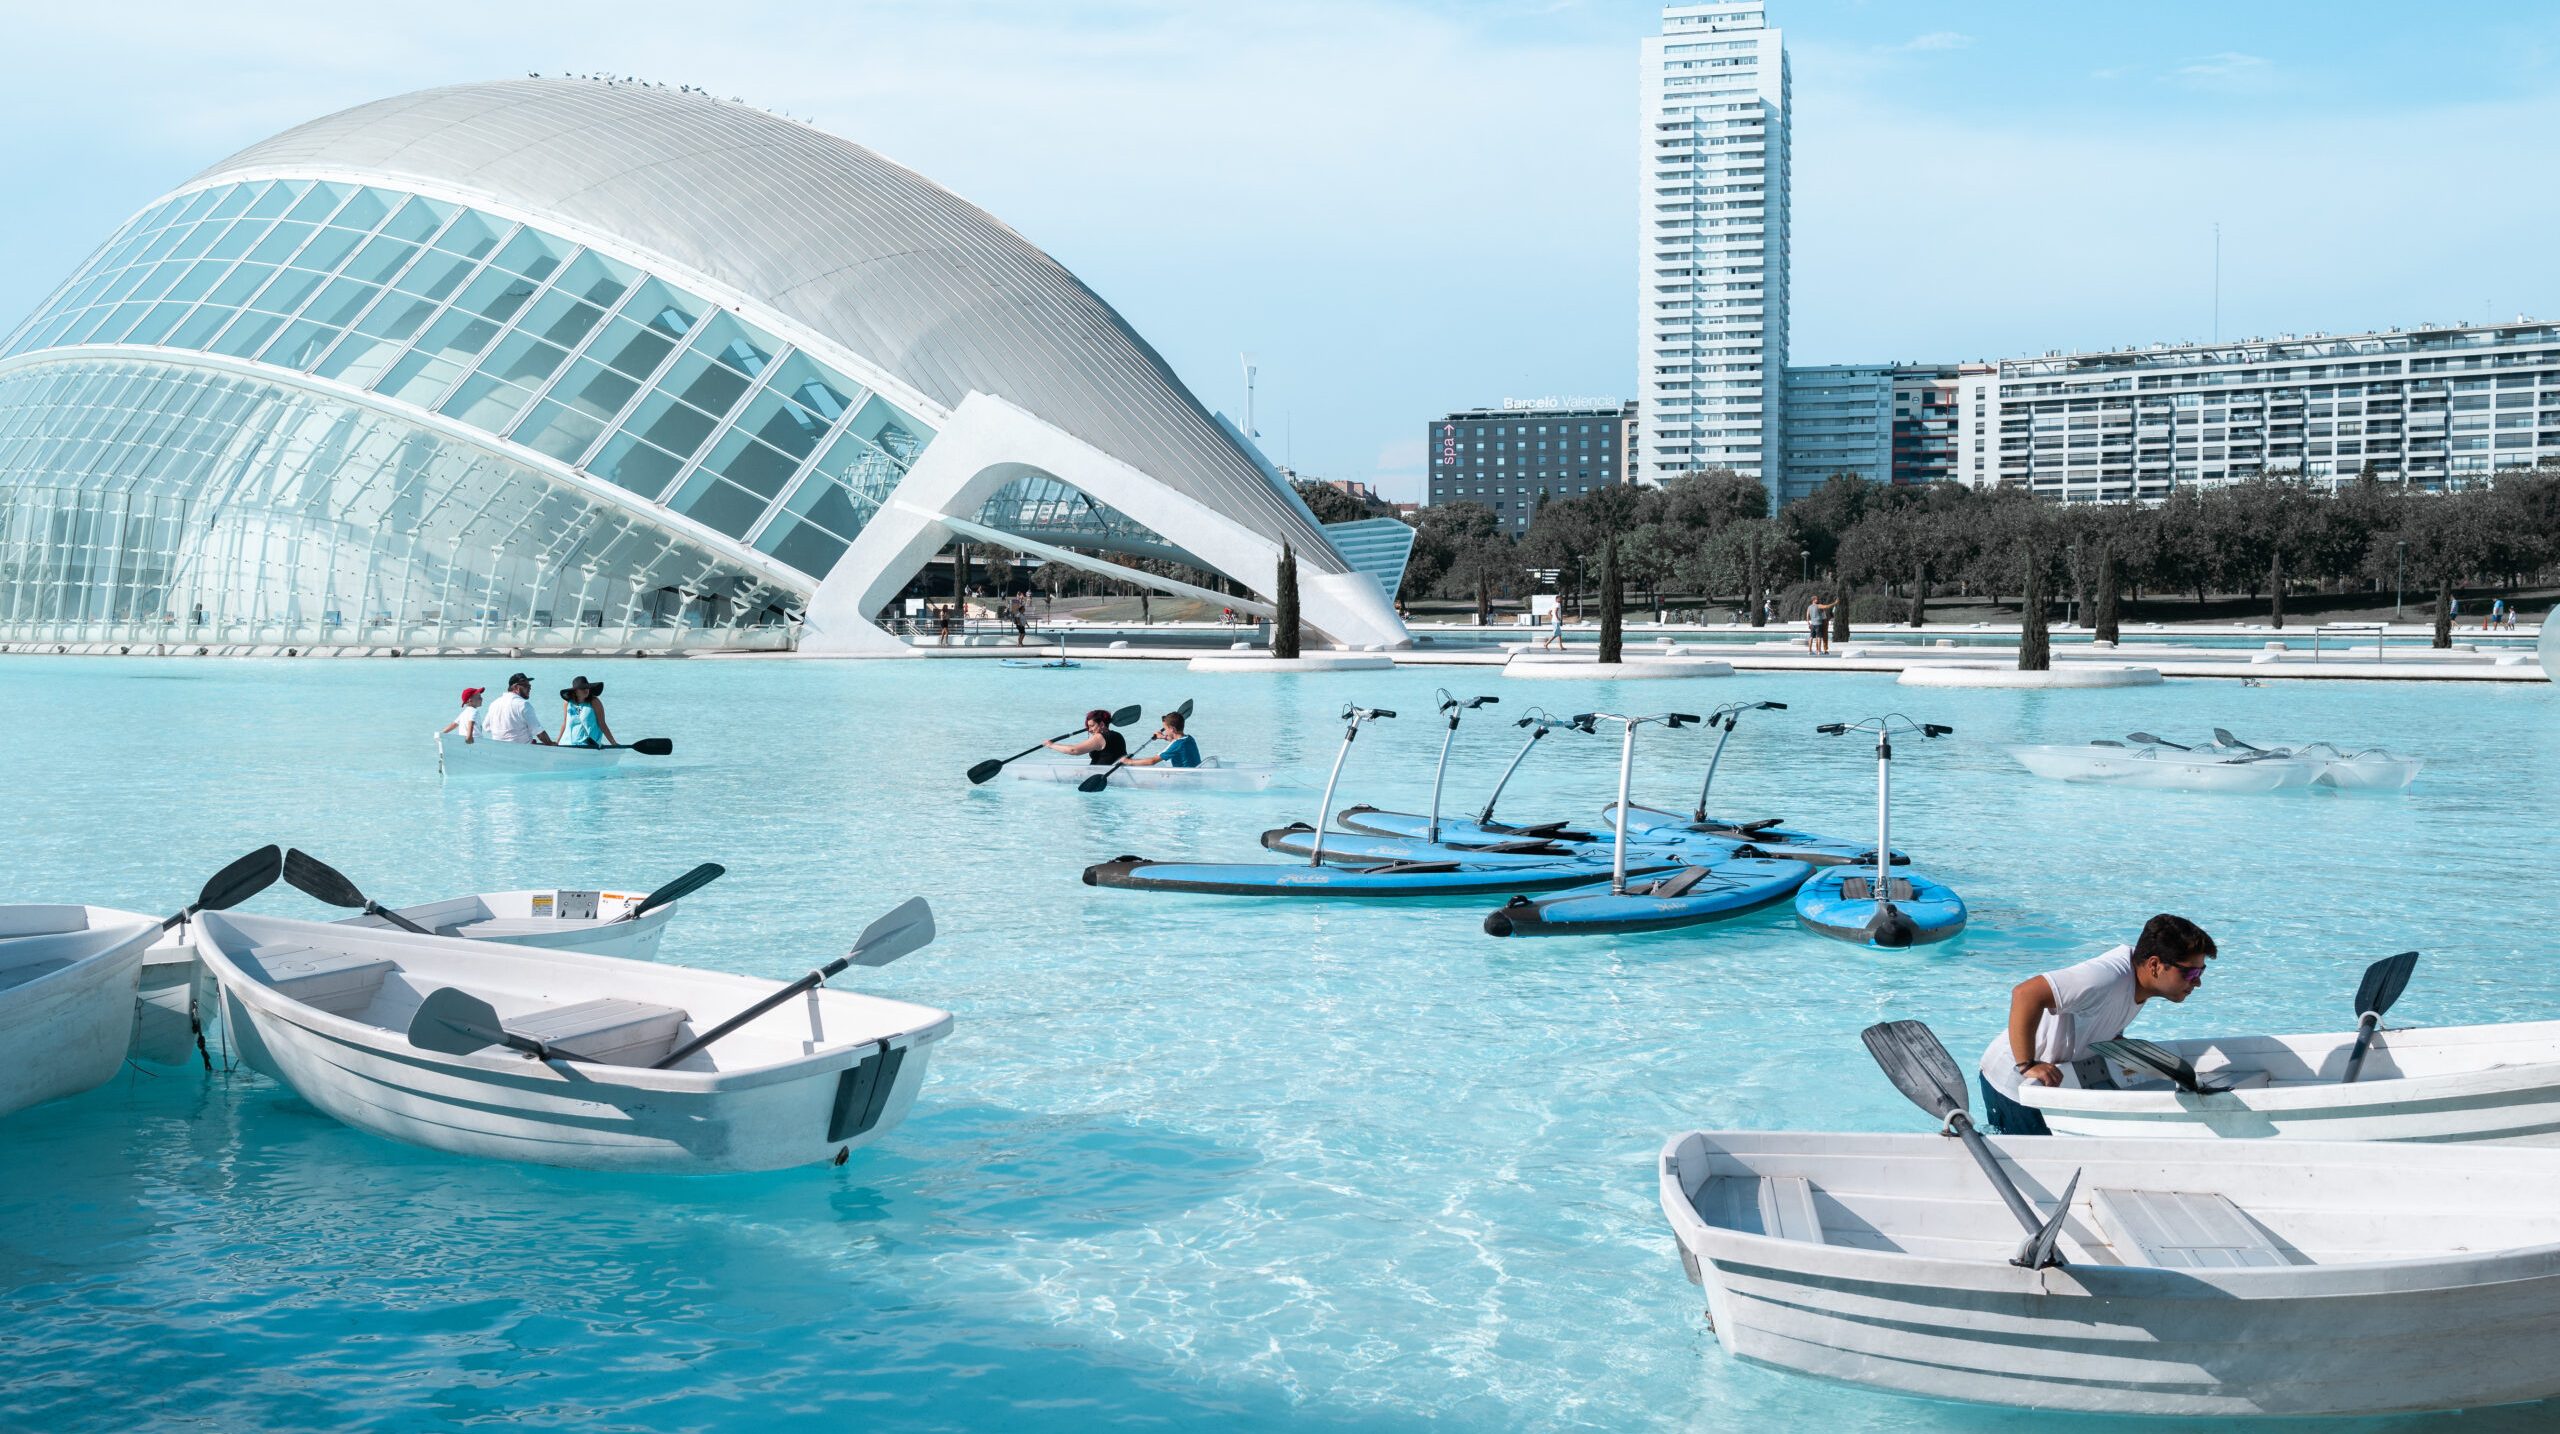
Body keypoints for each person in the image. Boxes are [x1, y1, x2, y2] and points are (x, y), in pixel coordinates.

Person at [1976, 914, 2219, 1136]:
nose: (2197, 983)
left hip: (2048, 1085)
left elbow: (2098, 1017)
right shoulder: (2104, 977)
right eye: (2190, 973)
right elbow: (2025, 994)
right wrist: (2027, 1064)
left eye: (2201, 971)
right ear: (2154, 965)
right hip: (2013, 1082)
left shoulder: (2141, 985)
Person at [483, 672, 553, 744]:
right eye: (526, 686)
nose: (530, 688)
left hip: (498, 748)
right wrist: (551, 744)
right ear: (516, 687)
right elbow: (538, 732)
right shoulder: (523, 704)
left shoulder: (494, 704)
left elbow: (486, 727)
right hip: (522, 750)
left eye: (530, 686)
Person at [1044, 707, 1127, 766]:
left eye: (1092, 726)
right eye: (1088, 726)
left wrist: (1051, 745)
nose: (1089, 730)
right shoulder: (1118, 735)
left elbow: (1074, 750)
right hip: (1114, 774)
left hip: (1098, 776)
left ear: (1101, 724)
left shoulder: (1098, 737)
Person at [1123, 710, 1200, 768]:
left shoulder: (1176, 744)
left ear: (1172, 729)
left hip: (1183, 780)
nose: (1165, 731)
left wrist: (1129, 762)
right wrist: (1163, 737)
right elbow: (1177, 743)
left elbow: (1152, 761)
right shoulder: (1189, 738)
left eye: (1165, 728)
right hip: (1195, 776)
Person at [556, 676, 617, 748]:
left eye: (587, 687)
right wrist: (557, 742)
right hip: (566, 744)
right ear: (575, 691)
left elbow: (602, 724)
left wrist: (614, 743)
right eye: (582, 688)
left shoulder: (594, 702)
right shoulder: (567, 703)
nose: (586, 690)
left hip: (589, 745)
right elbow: (565, 723)